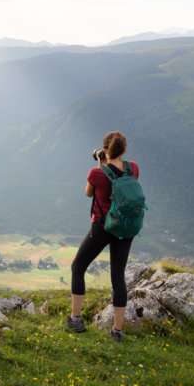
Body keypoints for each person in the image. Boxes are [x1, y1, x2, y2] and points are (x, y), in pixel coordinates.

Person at [67, 131, 139, 343]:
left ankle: (76, 319)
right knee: (118, 276)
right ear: (124, 150)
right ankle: (117, 332)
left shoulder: (97, 173)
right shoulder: (133, 168)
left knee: (78, 267)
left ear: (104, 150)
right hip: (125, 228)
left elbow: (89, 193)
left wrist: (101, 165)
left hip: (102, 227)